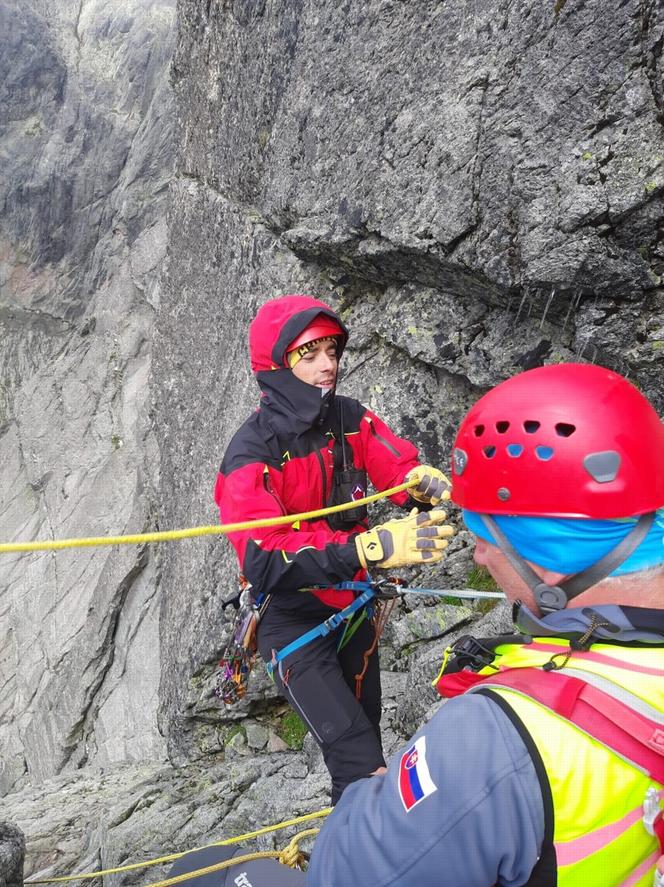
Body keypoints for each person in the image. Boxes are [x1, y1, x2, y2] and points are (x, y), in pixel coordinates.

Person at [306, 362, 664, 887]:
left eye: (485, 534)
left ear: (540, 557)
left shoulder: (491, 747)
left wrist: (372, 801)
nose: (478, 557)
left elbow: (342, 874)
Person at [215, 294, 453, 805]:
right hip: (292, 619)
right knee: (355, 754)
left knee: (366, 736)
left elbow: (393, 464)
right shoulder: (249, 454)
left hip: (355, 610)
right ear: (278, 365)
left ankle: (363, 845)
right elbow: (262, 558)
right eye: (309, 353)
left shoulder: (349, 417)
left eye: (332, 349)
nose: (328, 364)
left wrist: (416, 482)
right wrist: (368, 548)